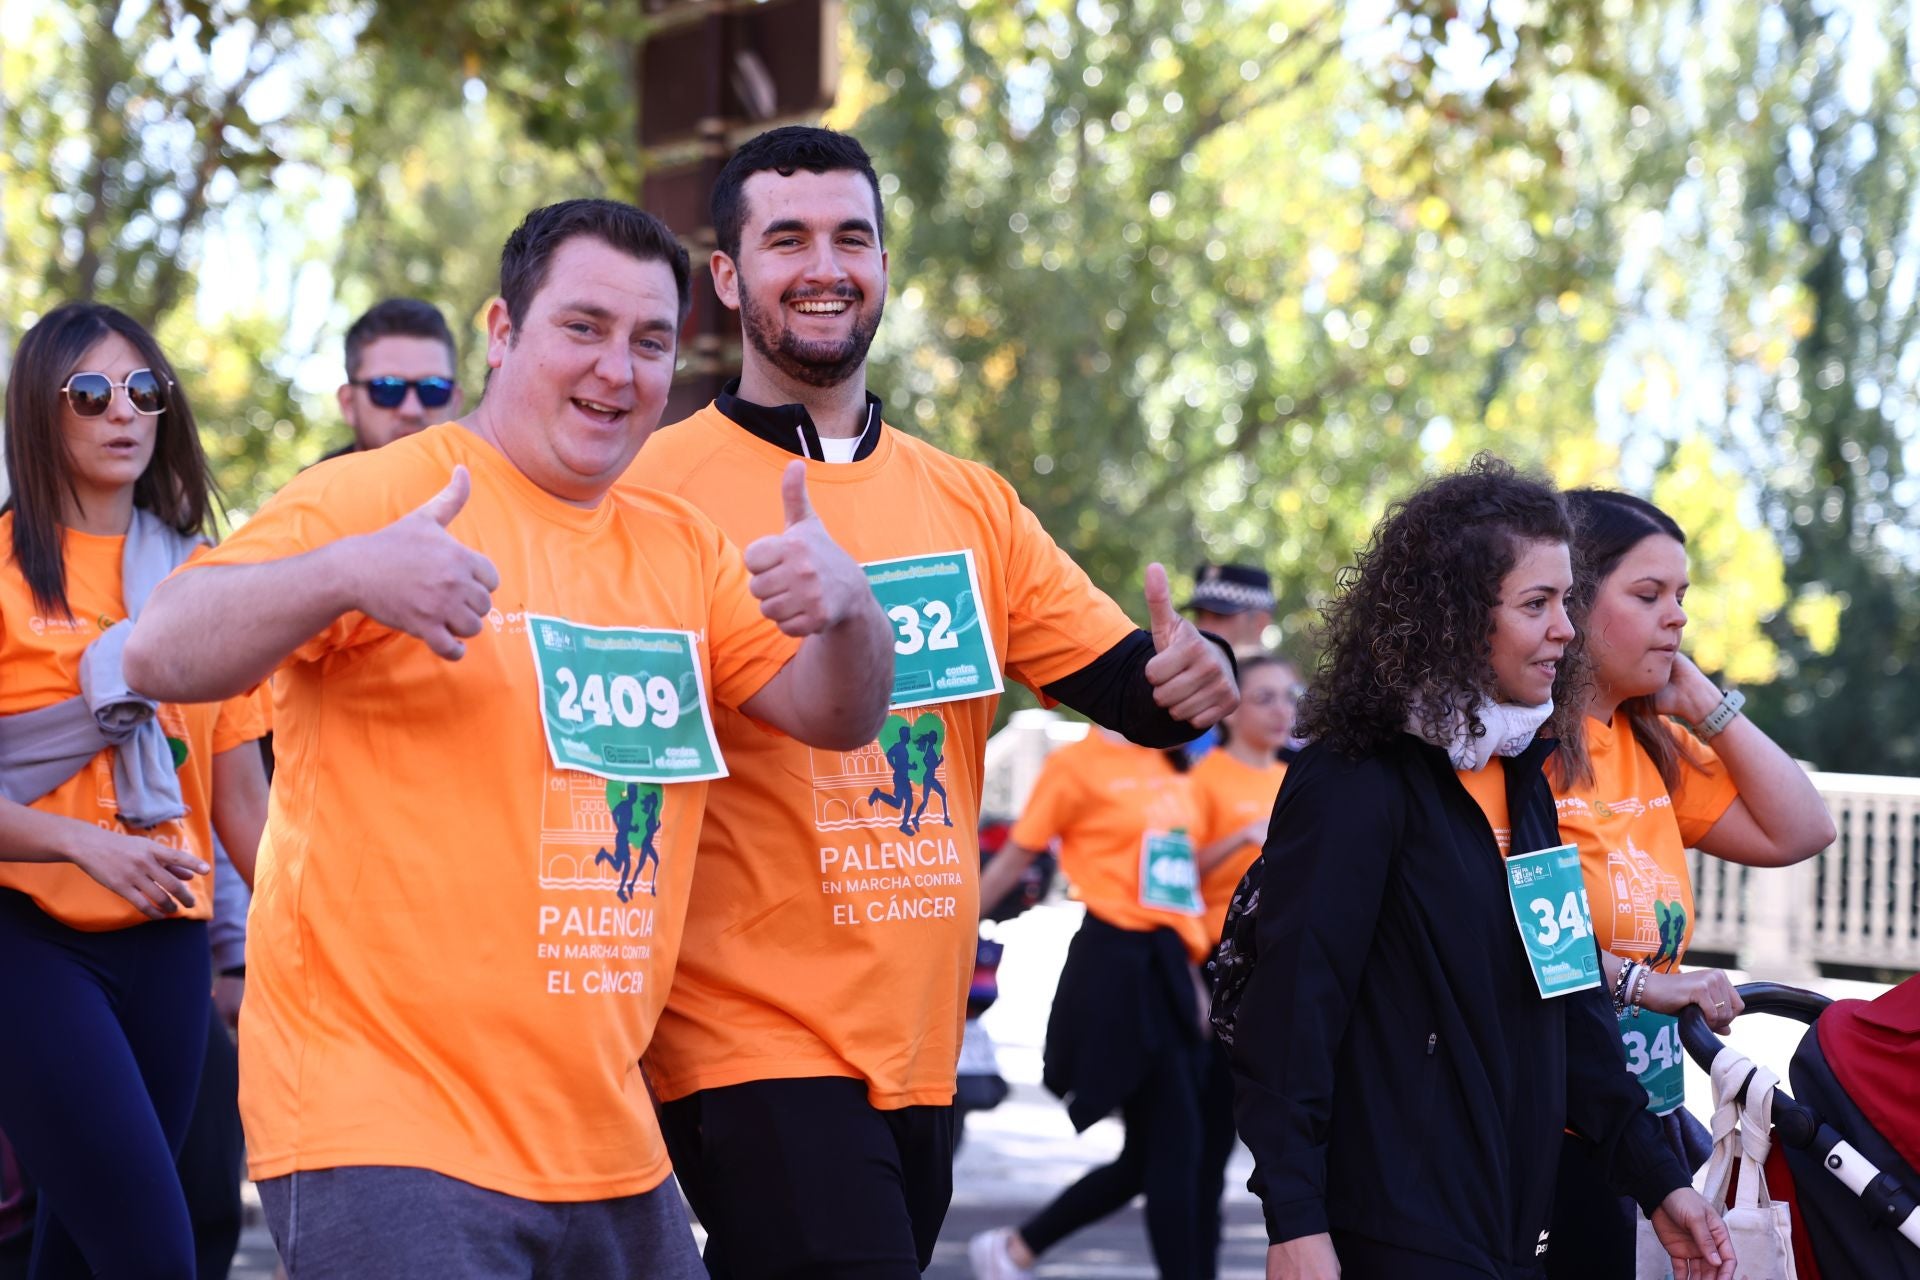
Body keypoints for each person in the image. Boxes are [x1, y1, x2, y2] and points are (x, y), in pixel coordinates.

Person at [123, 198, 894, 1278]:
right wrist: (347, 574)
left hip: (612, 1146)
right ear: (501, 331)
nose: (616, 369)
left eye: (650, 341)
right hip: (389, 1130)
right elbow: (157, 651)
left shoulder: (683, 548)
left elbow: (838, 715)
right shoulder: (381, 495)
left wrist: (854, 616)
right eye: (582, 326)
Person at [623, 124, 1238, 1279]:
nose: (825, 266)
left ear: (884, 265)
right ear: (728, 276)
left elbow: (1132, 686)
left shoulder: (970, 503)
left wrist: (1194, 676)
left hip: (919, 1041)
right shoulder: (650, 494)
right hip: (743, 1036)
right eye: (788, 239)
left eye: (851, 237)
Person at [1222, 456, 1735, 1280]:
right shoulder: (1358, 779)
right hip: (1391, 1232)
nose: (1566, 629)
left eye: (1566, 601)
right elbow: (1292, 1016)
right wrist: (1295, 1221)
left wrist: (1656, 1177)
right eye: (1537, 604)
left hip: (1512, 1227)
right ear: (1455, 617)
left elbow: (1569, 993)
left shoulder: (1521, 772)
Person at [0, 302, 271, 1279]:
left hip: (169, 943)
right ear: (40, 411)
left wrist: (319, 941)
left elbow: (241, 806)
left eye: (144, 389)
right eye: (90, 392)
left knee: (82, 1254)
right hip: (29, 937)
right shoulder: (3, 570)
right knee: (154, 1253)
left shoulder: (208, 580)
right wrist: (82, 843)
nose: (123, 411)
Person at [1544, 489, 1835, 1277]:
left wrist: (1704, 701)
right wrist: (1649, 985)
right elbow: (1511, 931)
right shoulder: (1522, 754)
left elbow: (1803, 829)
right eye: (1648, 595)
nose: (1676, 618)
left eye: (1681, 596)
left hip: (1647, 1118)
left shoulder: (1651, 744)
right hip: (1552, 1130)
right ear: (1569, 601)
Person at [969, 730, 1212, 1279]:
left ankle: (1017, 1248)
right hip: (1113, 962)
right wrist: (948, 937)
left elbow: (1176, 884)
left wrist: (1192, 976)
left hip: (1169, 964)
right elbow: (1016, 857)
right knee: (1174, 1147)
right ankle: (1016, 1248)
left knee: (1157, 1153)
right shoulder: (1075, 765)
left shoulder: (1170, 760)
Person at [1187, 652, 1299, 1279]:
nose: (1282, 710)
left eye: (1290, 696)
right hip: (1216, 972)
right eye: (1265, 697)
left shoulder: (1300, 776)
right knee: (1205, 1145)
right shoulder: (1203, 779)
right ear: (1230, 710)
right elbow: (1170, 876)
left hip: (1283, 972)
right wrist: (1241, 837)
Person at [328, 297, 464, 457]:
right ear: (348, 403)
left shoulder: (485, 471)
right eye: (388, 389)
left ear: (455, 402)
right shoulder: (317, 475)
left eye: (433, 389)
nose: (412, 410)